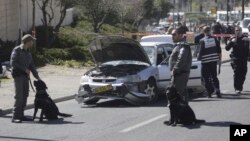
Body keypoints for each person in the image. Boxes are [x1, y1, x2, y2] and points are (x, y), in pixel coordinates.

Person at [10, 34, 41, 123]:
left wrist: (37, 77)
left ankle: (21, 115)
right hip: (18, 76)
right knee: (19, 96)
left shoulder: (28, 52)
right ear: (28, 41)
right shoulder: (17, 50)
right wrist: (24, 69)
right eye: (32, 41)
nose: (33, 43)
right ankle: (15, 116)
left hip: (25, 77)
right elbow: (13, 63)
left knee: (25, 95)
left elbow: (32, 65)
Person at [169, 27, 192, 103]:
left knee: (178, 96)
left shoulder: (183, 45)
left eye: (174, 34)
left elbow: (181, 58)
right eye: (171, 34)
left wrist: (175, 69)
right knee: (181, 96)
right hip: (178, 74)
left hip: (180, 74)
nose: (172, 36)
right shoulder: (179, 45)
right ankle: (183, 113)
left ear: (180, 35)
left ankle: (181, 112)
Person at [198, 26, 222, 98]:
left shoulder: (202, 40)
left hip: (205, 62)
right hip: (213, 61)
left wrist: (198, 58)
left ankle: (209, 92)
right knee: (214, 77)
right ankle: (217, 90)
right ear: (210, 31)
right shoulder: (215, 39)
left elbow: (201, 51)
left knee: (206, 77)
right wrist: (219, 59)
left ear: (204, 32)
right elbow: (219, 50)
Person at [225, 26, 249, 94]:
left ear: (241, 31)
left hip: (244, 59)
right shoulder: (233, 39)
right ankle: (237, 88)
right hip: (235, 59)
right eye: (236, 30)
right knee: (237, 73)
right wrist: (232, 42)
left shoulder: (245, 38)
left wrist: (248, 40)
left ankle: (240, 87)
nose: (237, 31)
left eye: (238, 30)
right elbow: (227, 48)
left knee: (243, 74)